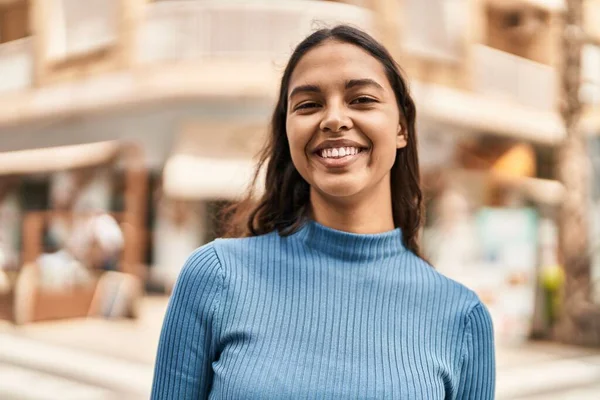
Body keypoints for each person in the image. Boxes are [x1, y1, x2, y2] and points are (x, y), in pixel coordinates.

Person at [151, 25, 495, 399]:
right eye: (309, 104)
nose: (333, 119)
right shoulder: (215, 277)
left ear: (401, 128)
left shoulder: (462, 317)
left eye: (361, 99)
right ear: (288, 131)